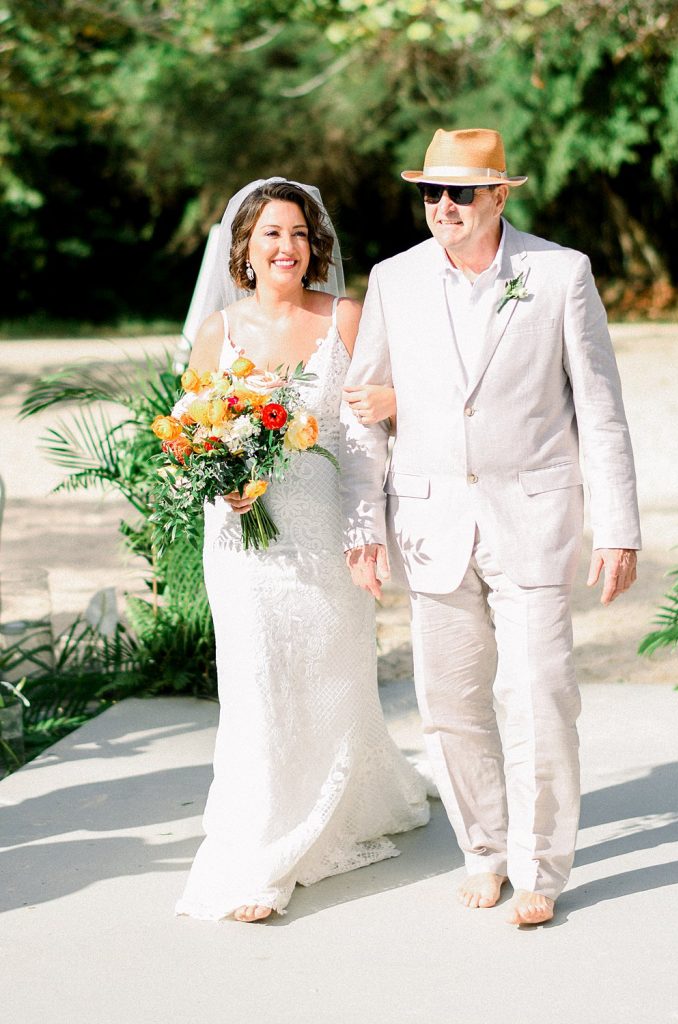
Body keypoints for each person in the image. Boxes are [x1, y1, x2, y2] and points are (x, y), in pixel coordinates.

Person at [340, 129, 641, 926]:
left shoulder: (559, 273)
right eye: (430, 193)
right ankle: (484, 849)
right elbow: (364, 410)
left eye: (460, 193)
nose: (442, 207)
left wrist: (617, 527)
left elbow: (600, 412)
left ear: (499, 196)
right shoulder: (393, 280)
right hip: (429, 525)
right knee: (449, 702)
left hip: (534, 518)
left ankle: (539, 867)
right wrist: (361, 523)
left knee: (540, 693)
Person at [174, 178, 429, 924]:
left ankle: (339, 803)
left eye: (297, 234)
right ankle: (260, 843)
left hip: (323, 533)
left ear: (315, 246)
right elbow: (189, 431)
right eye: (269, 235)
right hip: (242, 543)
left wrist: (363, 535)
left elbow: (364, 435)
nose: (285, 248)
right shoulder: (218, 332)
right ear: (243, 250)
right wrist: (221, 484)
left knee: (330, 674)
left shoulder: (345, 318)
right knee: (254, 684)